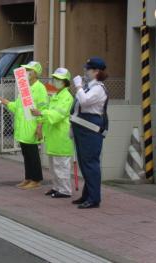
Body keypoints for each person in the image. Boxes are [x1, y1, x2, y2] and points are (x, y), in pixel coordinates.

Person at [0, 61, 49, 190]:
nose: (26, 72)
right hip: (22, 127)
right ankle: (28, 178)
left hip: (32, 127)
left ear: (35, 73)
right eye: (25, 70)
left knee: (33, 154)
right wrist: (5, 102)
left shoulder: (40, 88)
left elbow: (44, 108)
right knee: (26, 154)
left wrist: (39, 126)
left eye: (29, 70)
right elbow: (18, 107)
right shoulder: (24, 88)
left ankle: (36, 180)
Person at [70, 57, 109, 209]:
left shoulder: (98, 88)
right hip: (83, 128)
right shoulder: (90, 86)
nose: (85, 71)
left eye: (88, 69)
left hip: (90, 130)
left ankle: (94, 198)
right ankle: (87, 195)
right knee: (84, 164)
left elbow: (85, 101)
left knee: (91, 164)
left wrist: (78, 86)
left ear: (96, 71)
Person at [31, 68, 74, 198]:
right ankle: (56, 188)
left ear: (65, 82)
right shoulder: (55, 95)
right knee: (54, 167)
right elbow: (49, 113)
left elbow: (57, 115)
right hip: (53, 137)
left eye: (59, 80)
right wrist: (40, 122)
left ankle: (65, 190)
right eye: (55, 79)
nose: (56, 82)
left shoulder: (67, 97)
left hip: (61, 137)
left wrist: (41, 113)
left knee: (62, 166)